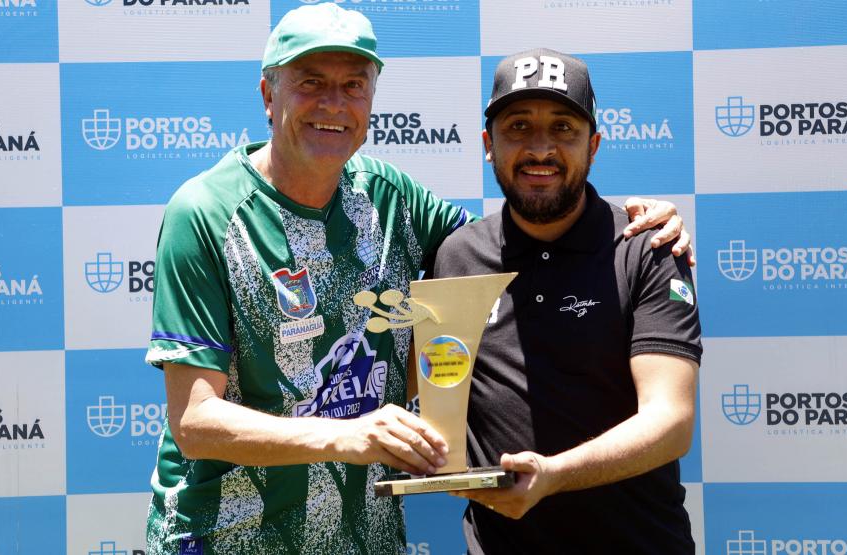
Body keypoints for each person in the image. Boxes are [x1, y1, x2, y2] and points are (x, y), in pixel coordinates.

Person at [143, 4, 693, 553]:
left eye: (353, 85)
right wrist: (350, 434)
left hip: (365, 540)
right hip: (227, 538)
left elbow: (527, 226)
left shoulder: (392, 198)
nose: (333, 103)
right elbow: (194, 421)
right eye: (311, 83)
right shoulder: (207, 213)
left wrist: (641, 219)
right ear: (269, 94)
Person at [436, 49, 702, 554]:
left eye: (563, 128)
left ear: (593, 145)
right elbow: (433, 383)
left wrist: (553, 475)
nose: (541, 149)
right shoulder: (457, 255)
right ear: (489, 145)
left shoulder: (647, 248)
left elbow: (671, 423)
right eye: (518, 127)